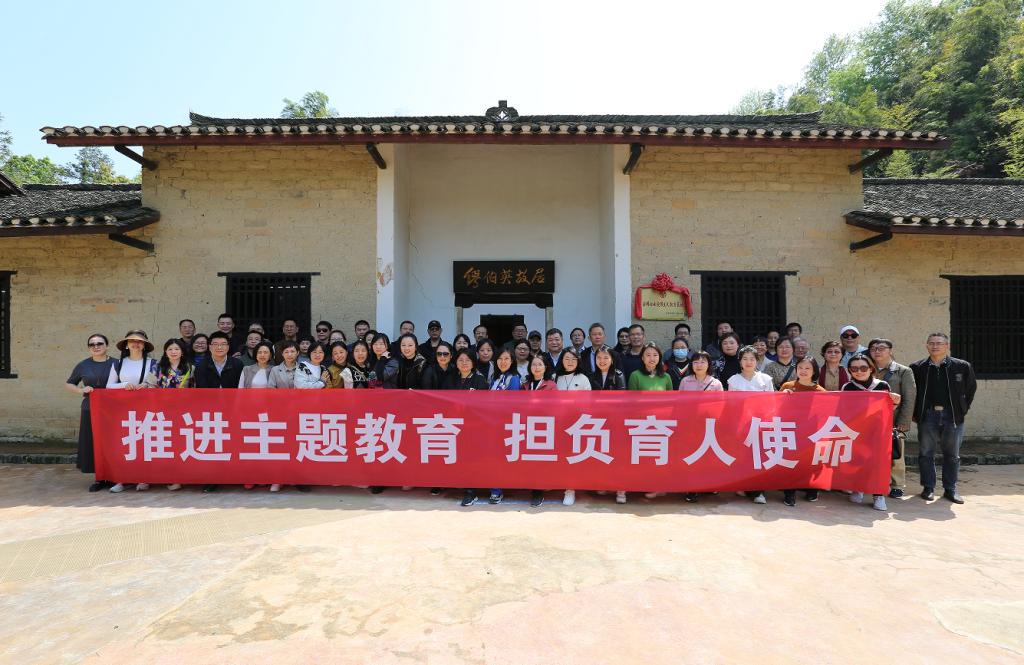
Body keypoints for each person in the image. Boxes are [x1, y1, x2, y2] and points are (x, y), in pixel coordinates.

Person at [910, 333, 975, 505]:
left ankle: (950, 489)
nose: (935, 346)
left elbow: (970, 390)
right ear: (926, 346)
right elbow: (912, 392)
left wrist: (961, 410)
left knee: (952, 455)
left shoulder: (962, 366)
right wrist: (916, 413)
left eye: (939, 343)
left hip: (952, 416)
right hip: (928, 416)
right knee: (926, 453)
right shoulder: (917, 368)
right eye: (931, 343)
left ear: (947, 346)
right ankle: (928, 487)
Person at [844, 354, 902, 511]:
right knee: (858, 462)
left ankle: (878, 495)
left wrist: (895, 402)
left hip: (878, 432)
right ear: (850, 370)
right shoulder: (847, 387)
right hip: (856, 432)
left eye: (863, 368)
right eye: (854, 368)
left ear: (871, 368)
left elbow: (888, 409)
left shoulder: (882, 385)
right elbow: (843, 411)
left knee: (879, 464)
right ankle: (858, 488)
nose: (859, 371)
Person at [106, 330, 159, 493]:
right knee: (124, 443)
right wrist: (124, 385)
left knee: (144, 442)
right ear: (126, 345)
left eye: (139, 341)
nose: (135, 344)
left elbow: (157, 384)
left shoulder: (153, 363)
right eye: (132, 341)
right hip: (123, 408)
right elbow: (109, 386)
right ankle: (121, 479)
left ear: (144, 345)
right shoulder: (118, 363)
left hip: (146, 407)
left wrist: (147, 385)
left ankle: (144, 477)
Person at [143, 339, 195, 491]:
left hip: (182, 412)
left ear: (182, 352)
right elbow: (150, 385)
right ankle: (162, 475)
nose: (173, 352)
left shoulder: (190, 368)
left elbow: (195, 390)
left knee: (180, 445)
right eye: (170, 349)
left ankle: (178, 478)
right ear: (165, 352)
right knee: (164, 444)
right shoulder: (158, 367)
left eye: (177, 349)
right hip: (161, 412)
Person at [65, 333, 116, 492]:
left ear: (107, 346)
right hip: (90, 408)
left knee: (113, 442)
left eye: (100, 343)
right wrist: (81, 390)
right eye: (92, 344)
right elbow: (69, 384)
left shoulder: (117, 363)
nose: (96, 346)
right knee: (93, 442)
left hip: (113, 409)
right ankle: (99, 477)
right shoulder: (83, 365)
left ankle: (115, 476)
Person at [869, 338, 917, 499]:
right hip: (871, 420)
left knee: (896, 453)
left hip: (894, 420)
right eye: (873, 348)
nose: (877, 351)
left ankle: (897, 484)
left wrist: (904, 421)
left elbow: (909, 397)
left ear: (890, 350)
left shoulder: (903, 371)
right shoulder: (867, 368)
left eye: (881, 348)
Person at [727, 345, 775, 505]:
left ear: (757, 361)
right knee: (743, 457)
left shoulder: (765, 379)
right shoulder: (733, 380)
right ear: (740, 361)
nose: (748, 362)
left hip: (760, 423)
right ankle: (743, 485)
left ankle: (758, 491)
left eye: (752, 359)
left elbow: (771, 403)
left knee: (759, 457)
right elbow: (731, 405)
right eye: (745, 359)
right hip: (742, 424)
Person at [779, 356, 826, 506]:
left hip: (811, 432)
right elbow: (776, 408)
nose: (803, 371)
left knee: (810, 462)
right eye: (800, 368)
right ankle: (789, 492)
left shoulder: (820, 391)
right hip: (791, 431)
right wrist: (782, 397)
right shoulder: (788, 386)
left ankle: (811, 488)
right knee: (790, 461)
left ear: (814, 371)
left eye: (807, 368)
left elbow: (826, 413)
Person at [449, 350, 488, 507]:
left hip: (473, 427)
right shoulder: (451, 379)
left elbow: (484, 405)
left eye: (467, 360)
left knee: (471, 458)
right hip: (453, 425)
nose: (464, 363)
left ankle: (471, 491)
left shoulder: (479, 380)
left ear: (473, 362)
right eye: (460, 360)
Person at [554, 348, 591, 506]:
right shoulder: (555, 377)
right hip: (557, 424)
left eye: (573, 359)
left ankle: (570, 490)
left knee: (572, 458)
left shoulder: (583, 378)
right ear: (561, 360)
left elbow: (588, 403)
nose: (570, 362)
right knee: (559, 456)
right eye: (567, 358)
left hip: (576, 424)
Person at [487, 349, 522, 505]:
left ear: (512, 361)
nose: (503, 362)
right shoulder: (494, 378)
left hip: (504, 425)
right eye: (500, 358)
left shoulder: (513, 378)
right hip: (491, 424)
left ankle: (497, 490)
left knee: (499, 458)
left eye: (507, 358)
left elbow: (512, 404)